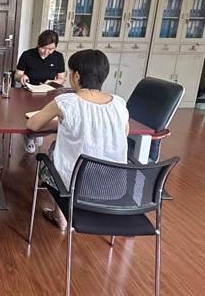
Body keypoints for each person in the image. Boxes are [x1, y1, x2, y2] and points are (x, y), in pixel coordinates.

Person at [25, 49, 129, 230]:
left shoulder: (66, 102)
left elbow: (33, 125)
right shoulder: (119, 103)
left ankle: (60, 216)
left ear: (77, 76)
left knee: (54, 151)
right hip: (113, 185)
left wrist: (60, 122)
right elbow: (124, 133)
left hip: (74, 184)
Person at [15, 30, 66, 153]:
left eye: (51, 49)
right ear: (38, 44)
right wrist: (21, 77)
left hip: (48, 93)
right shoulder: (27, 55)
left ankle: (37, 133)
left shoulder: (58, 57)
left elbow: (61, 78)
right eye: (44, 48)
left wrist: (52, 82)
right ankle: (29, 136)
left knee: (45, 115)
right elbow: (17, 75)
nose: (47, 52)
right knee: (29, 114)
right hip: (28, 92)